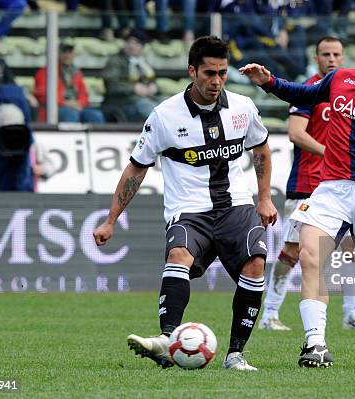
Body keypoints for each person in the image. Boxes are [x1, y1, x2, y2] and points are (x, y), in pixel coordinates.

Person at [240, 15, 355, 367]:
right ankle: (315, 345)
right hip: (332, 188)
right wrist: (270, 82)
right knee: (310, 256)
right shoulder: (339, 78)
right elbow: (305, 94)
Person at [93, 36, 277, 371]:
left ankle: (235, 354)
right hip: (189, 210)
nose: (216, 81)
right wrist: (110, 220)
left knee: (256, 263)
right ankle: (167, 340)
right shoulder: (164, 116)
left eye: (222, 73)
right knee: (179, 255)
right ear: (192, 71)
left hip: (236, 205)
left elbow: (261, 148)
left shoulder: (242, 107)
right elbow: (136, 167)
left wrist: (264, 198)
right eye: (209, 73)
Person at [259, 36, 355, 334]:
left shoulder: (351, 89)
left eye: (336, 54)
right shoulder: (309, 91)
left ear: (344, 58)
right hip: (308, 184)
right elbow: (296, 133)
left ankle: (353, 313)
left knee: (354, 250)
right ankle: (269, 314)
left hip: (344, 186)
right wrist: (333, 153)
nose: (331, 59)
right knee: (292, 252)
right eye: (325, 54)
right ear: (316, 58)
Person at [33, 38, 105, 124]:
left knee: (96, 115)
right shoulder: (45, 72)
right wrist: (65, 103)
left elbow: (84, 94)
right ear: (58, 54)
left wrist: (79, 103)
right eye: (64, 52)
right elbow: (42, 95)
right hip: (55, 108)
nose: (67, 55)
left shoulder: (77, 72)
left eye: (70, 52)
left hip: (76, 107)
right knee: (71, 115)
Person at [101, 29, 160, 122]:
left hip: (144, 99)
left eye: (136, 44)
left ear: (142, 47)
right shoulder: (115, 60)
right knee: (151, 109)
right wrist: (134, 88)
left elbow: (152, 80)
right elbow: (111, 86)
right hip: (121, 102)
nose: (131, 46)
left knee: (167, 104)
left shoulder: (143, 62)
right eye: (129, 42)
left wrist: (153, 87)